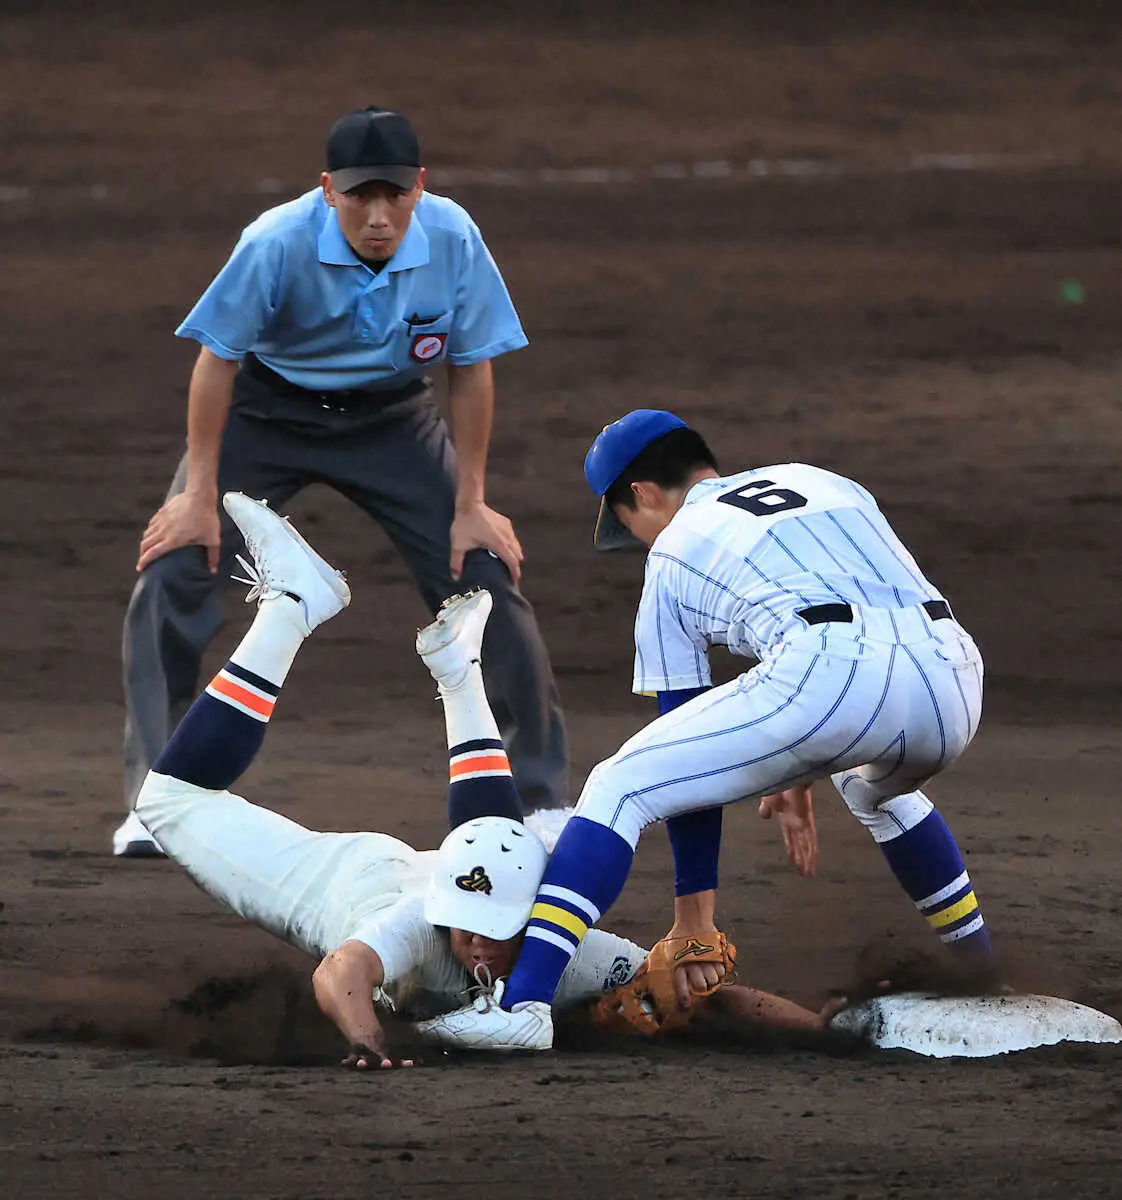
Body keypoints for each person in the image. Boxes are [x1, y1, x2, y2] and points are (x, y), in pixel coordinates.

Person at [135, 492, 840, 1065]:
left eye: (492, 930)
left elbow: (707, 997)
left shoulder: (563, 950)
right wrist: (365, 1042)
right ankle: (294, 609)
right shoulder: (418, 923)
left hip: (463, 861)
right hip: (354, 881)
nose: (475, 944)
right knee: (167, 801)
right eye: (468, 929)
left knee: (510, 844)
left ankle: (453, 670)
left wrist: (820, 1029)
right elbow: (340, 972)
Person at [422, 408, 993, 1052]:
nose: (637, 538)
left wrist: (695, 921)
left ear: (640, 494)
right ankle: (981, 968)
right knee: (874, 792)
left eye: (627, 523)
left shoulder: (672, 551)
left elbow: (684, 752)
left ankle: (521, 1007)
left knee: (620, 785)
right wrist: (800, 762)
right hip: (953, 678)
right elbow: (847, 607)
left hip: (830, 676)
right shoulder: (819, 480)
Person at [115, 105, 568, 858]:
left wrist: (472, 503)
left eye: (395, 194)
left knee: (484, 577)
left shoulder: (453, 238)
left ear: (420, 188)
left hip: (393, 419)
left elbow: (470, 364)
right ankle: (156, 800)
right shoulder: (275, 243)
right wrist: (197, 496)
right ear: (329, 190)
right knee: (173, 570)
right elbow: (217, 360)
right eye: (361, 196)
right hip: (269, 411)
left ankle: (541, 800)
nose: (379, 215)